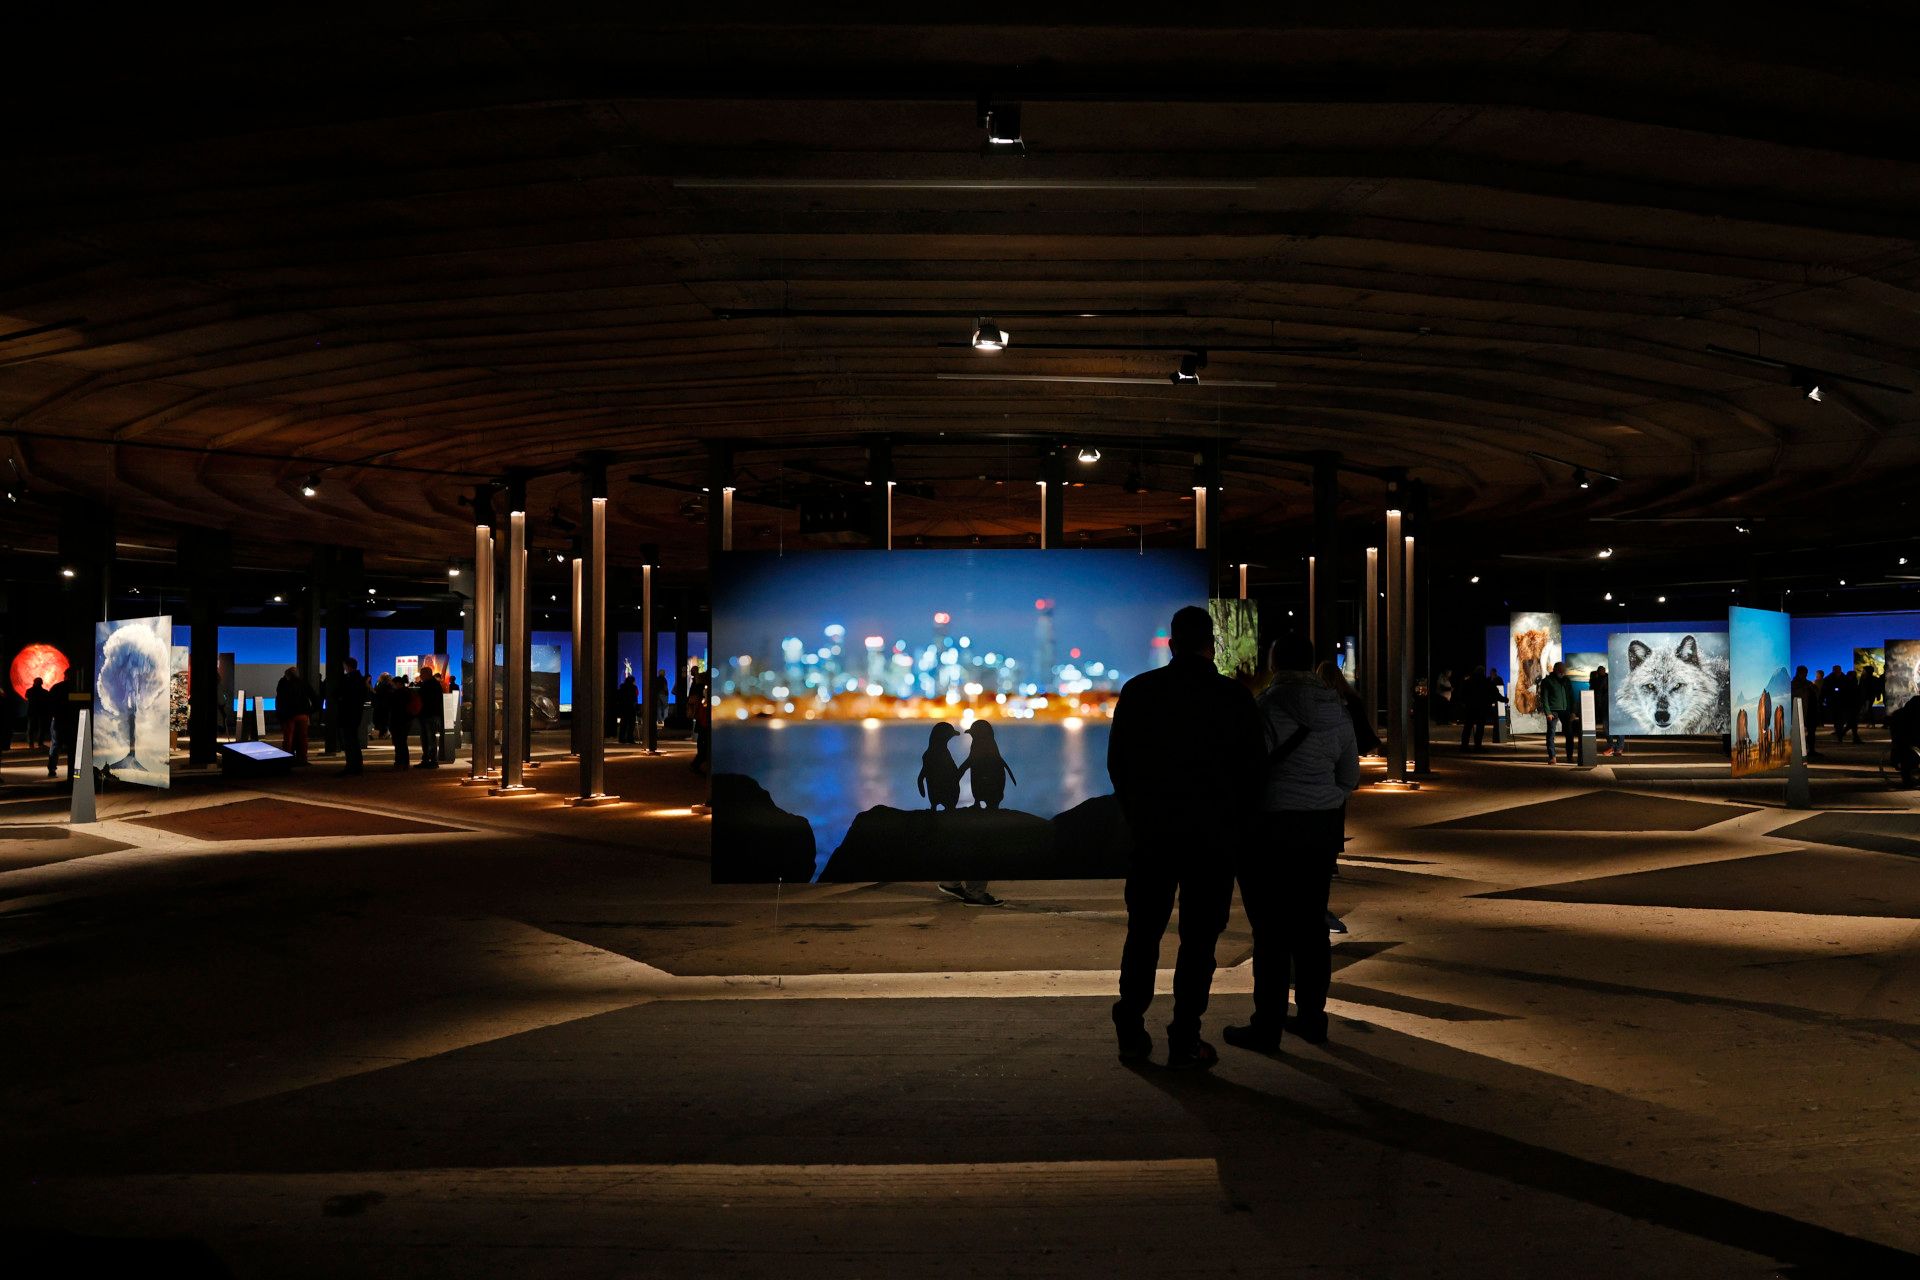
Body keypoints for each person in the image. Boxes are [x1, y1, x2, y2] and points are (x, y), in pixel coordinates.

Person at [1107, 605, 1265, 1071]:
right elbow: (1255, 773)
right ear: (1209, 646)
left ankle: (1131, 1030)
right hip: (1212, 841)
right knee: (1199, 942)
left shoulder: (1140, 692)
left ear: (1171, 644)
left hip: (1154, 835)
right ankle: (1185, 1037)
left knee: (1143, 933)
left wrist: (1138, 815)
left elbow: (1119, 765)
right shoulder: (1233, 698)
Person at [1223, 635, 1360, 1054]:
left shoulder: (1262, 708)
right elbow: (1349, 777)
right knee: (1311, 926)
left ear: (1274, 662)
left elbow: (1246, 770)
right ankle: (1313, 1019)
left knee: (1270, 930)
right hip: (1318, 829)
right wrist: (1326, 799)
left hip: (1270, 828)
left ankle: (1267, 1025)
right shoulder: (1336, 711)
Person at [937, 721, 1020, 908]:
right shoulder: (988, 747)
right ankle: (974, 892)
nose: (970, 732)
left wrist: (953, 779)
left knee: (970, 838)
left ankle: (951, 881)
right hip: (991, 799)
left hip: (981, 795)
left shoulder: (980, 747)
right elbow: (999, 765)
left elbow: (967, 765)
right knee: (984, 840)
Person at [335, 657, 370, 775]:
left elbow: (344, 695)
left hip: (348, 714)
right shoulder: (359, 679)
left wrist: (341, 699)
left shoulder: (350, 679)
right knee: (353, 740)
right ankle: (356, 765)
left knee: (350, 741)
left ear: (347, 666)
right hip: (355, 713)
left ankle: (352, 766)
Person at [276, 667, 316, 764]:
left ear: (287, 675)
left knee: (288, 738)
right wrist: (310, 711)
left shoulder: (283, 684)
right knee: (303, 737)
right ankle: (303, 759)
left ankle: (287, 759)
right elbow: (313, 696)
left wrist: (280, 714)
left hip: (289, 715)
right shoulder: (303, 683)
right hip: (303, 714)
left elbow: (279, 700)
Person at [1539, 660, 1576, 764]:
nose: (1562, 671)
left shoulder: (1566, 681)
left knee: (1569, 734)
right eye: (1560, 669)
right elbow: (1544, 698)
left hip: (1566, 711)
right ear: (1555, 669)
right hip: (1553, 711)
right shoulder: (1547, 681)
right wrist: (1548, 712)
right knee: (1551, 734)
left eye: (1563, 669)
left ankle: (1570, 756)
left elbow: (1571, 697)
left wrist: (1573, 712)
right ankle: (1552, 757)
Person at [1591, 663, 1626, 757]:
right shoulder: (1604, 680)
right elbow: (1599, 692)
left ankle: (1618, 748)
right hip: (1606, 705)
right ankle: (1611, 746)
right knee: (1606, 728)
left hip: (1618, 706)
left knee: (1620, 727)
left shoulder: (1622, 680)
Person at [416, 663, 444, 767]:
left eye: (422, 674)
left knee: (428, 737)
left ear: (426, 674)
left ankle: (430, 760)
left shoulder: (428, 685)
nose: (421, 676)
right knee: (429, 737)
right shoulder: (435, 684)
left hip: (428, 714)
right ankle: (430, 759)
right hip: (431, 714)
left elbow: (425, 699)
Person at [1889, 695, 1918, 788]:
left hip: (1900, 743)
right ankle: (1908, 782)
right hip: (1908, 744)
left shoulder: (1898, 714)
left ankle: (1908, 781)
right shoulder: (1914, 716)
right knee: (1908, 758)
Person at [390, 672, 414, 769]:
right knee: (402, 741)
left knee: (399, 742)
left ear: (397, 683)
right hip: (406, 719)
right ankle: (404, 761)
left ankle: (400, 761)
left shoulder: (398, 693)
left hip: (399, 720)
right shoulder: (408, 692)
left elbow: (395, 707)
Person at [689, 669, 711, 775]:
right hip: (704, 718)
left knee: (702, 738)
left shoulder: (698, 687)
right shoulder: (704, 689)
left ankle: (698, 761)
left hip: (701, 717)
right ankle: (699, 761)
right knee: (704, 739)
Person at [26, 676, 51, 749]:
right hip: (41, 711)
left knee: (31, 728)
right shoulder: (45, 692)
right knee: (41, 728)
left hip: (32, 711)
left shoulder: (29, 691)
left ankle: (31, 744)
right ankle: (40, 743)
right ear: (41, 683)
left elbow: (27, 698)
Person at [616, 673, 640, 743]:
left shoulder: (622, 687)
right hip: (631, 708)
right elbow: (635, 697)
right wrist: (636, 707)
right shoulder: (633, 687)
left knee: (623, 723)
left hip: (623, 708)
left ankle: (621, 738)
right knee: (631, 724)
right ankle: (630, 738)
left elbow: (618, 697)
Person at [372, 673, 393, 739]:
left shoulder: (378, 684)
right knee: (384, 720)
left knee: (380, 720)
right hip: (386, 706)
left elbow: (376, 693)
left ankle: (382, 734)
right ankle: (383, 734)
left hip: (379, 705)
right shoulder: (389, 685)